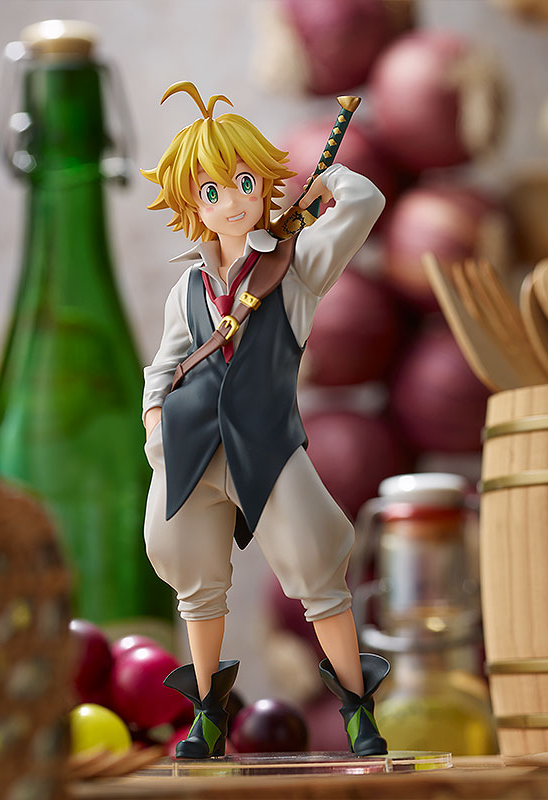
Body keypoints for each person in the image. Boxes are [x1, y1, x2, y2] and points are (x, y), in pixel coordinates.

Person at [141, 81, 390, 759]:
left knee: (318, 571)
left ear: (264, 185)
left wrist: (329, 180)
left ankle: (358, 710)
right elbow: (164, 363)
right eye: (211, 191)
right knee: (194, 579)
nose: (231, 201)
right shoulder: (188, 288)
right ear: (193, 205)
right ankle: (207, 715)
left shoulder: (296, 264)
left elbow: (365, 204)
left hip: (269, 446)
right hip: (192, 445)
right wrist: (155, 420)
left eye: (243, 182)